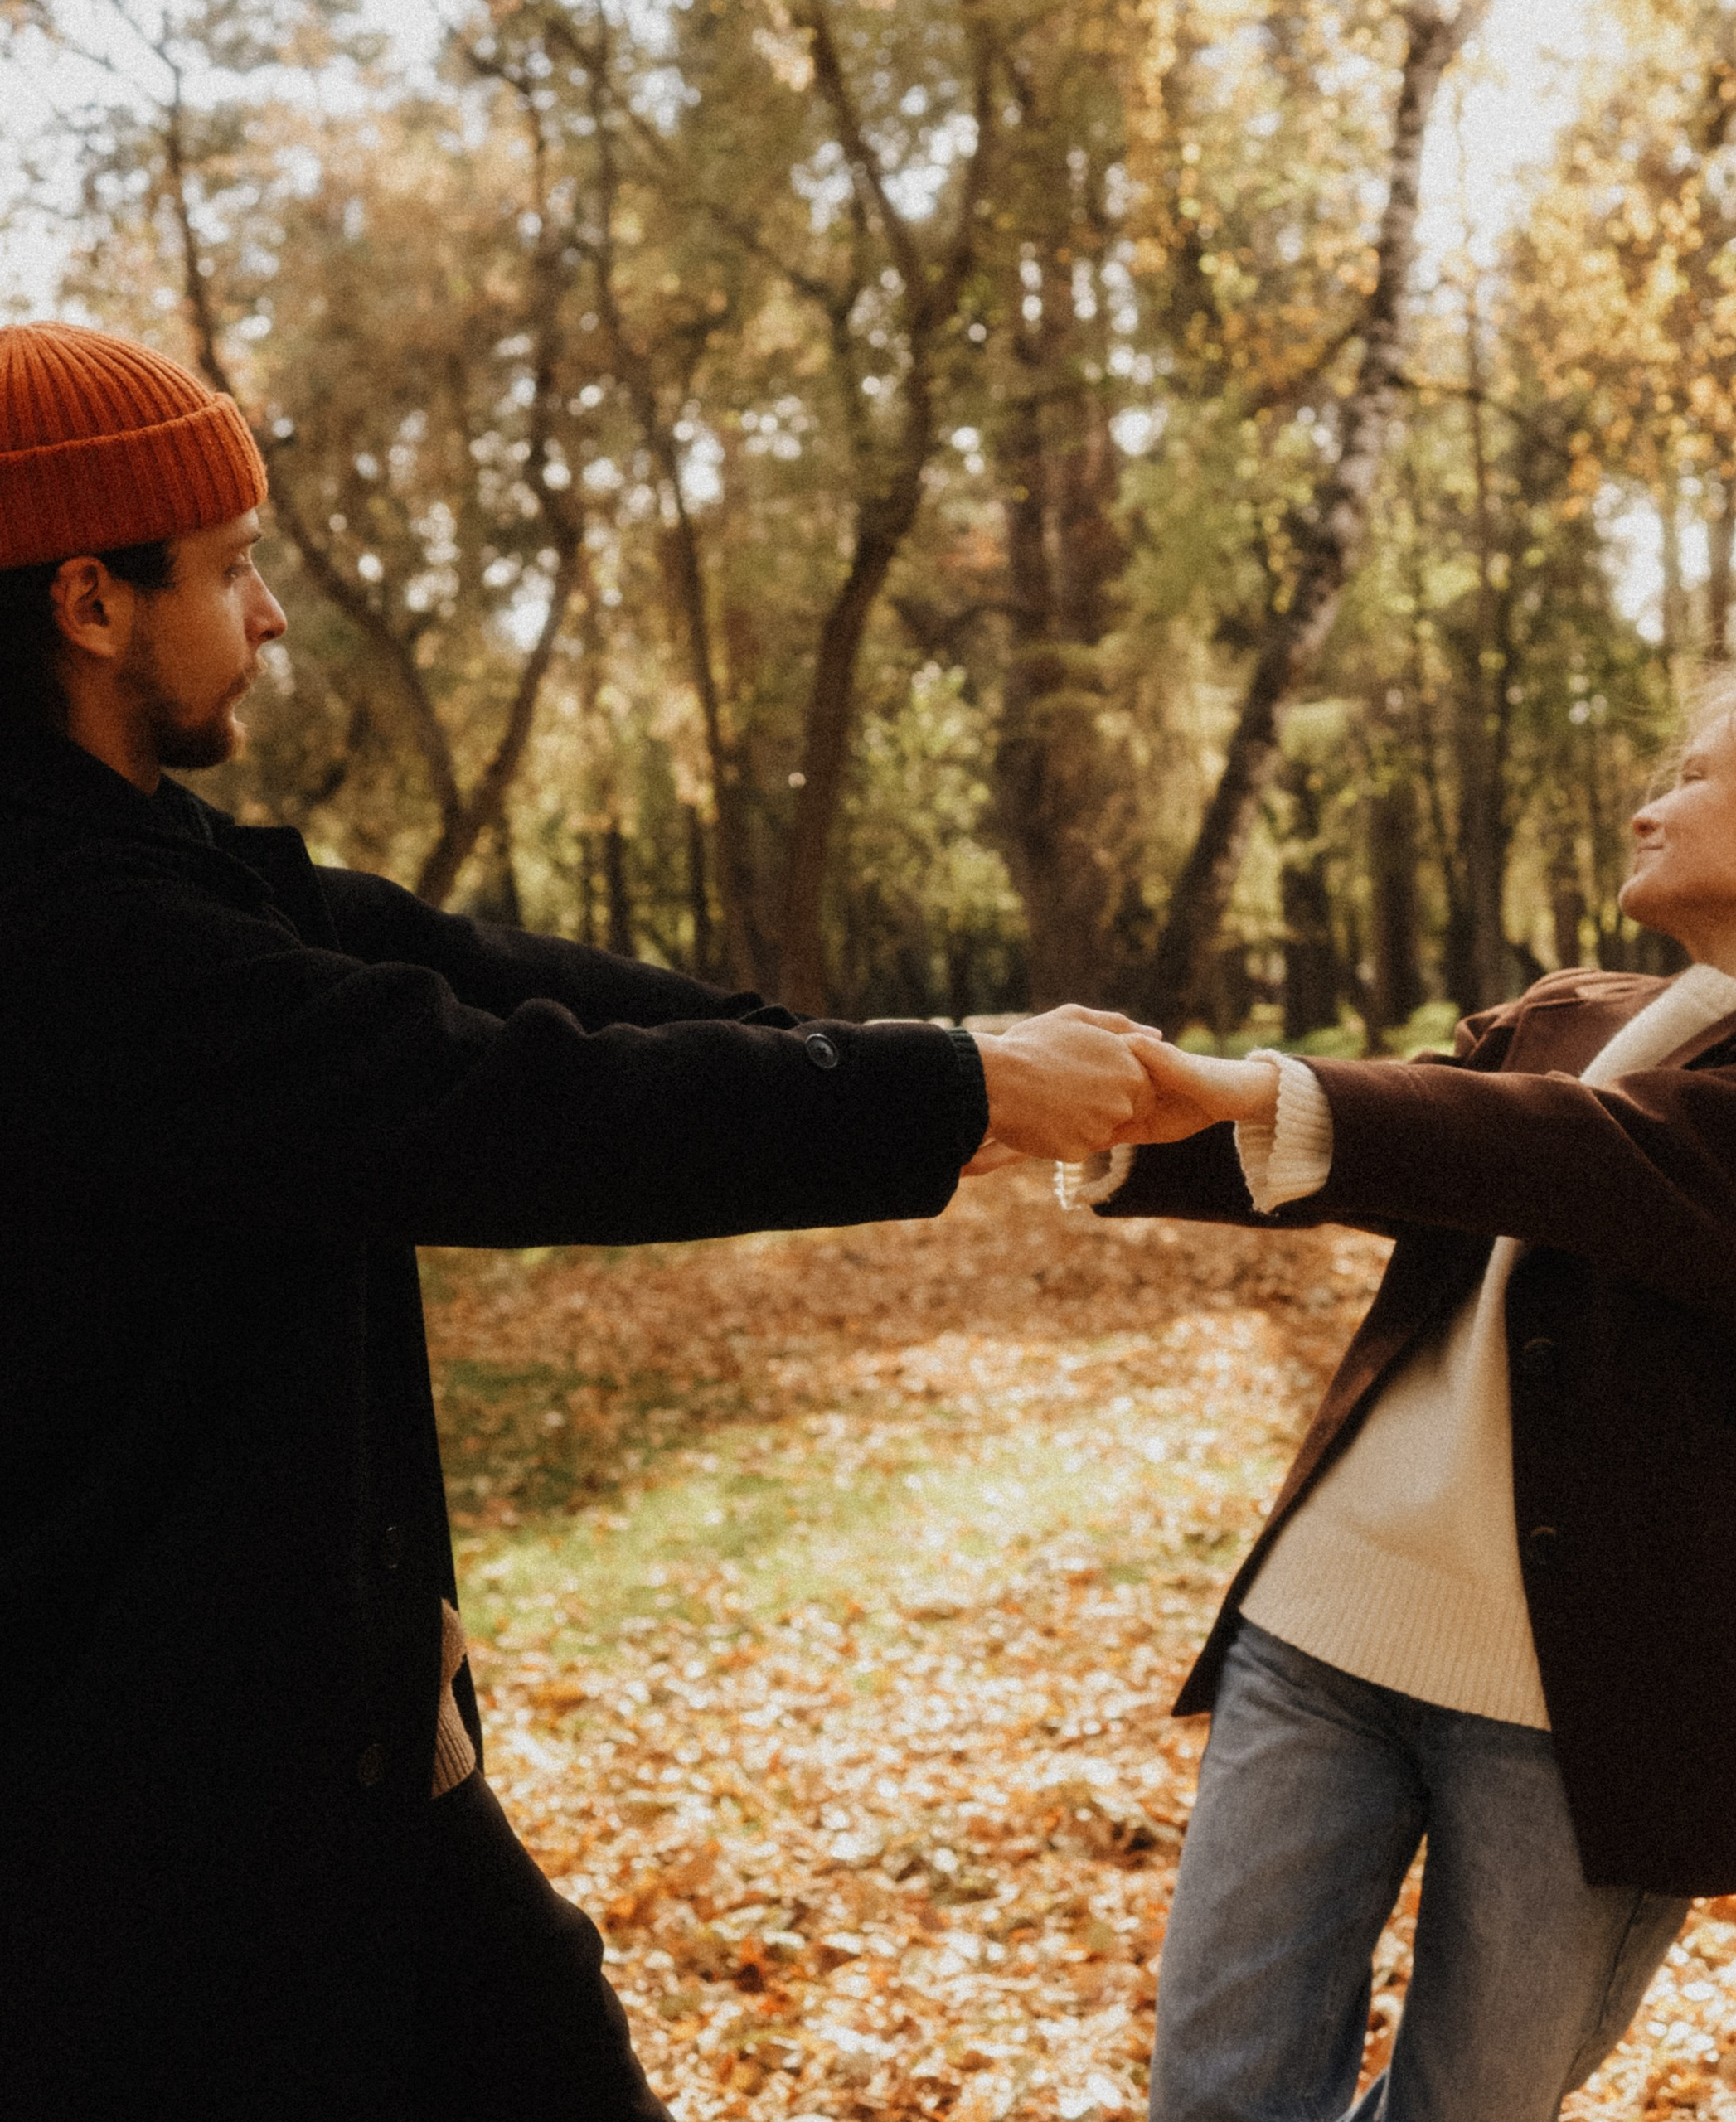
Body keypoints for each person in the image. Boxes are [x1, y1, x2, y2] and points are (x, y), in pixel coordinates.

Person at [0, 322, 1154, 2119]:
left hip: (328, 1763)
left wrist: (915, 1059)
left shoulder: (159, 865)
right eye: (232, 569)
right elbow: (496, 1103)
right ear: (89, 598)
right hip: (130, 1832)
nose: (273, 615)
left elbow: (481, 974)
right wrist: (953, 1095)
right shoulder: (72, 939)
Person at [1067, 647, 1736, 2122]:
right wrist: (1110, 1121)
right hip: (1324, 1631)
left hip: (1589, 1711)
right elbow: (1418, 1147)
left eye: (1692, 774)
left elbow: (1595, 1159)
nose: (1648, 806)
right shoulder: (1567, 1013)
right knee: (1217, 2100)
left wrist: (1264, 1085)